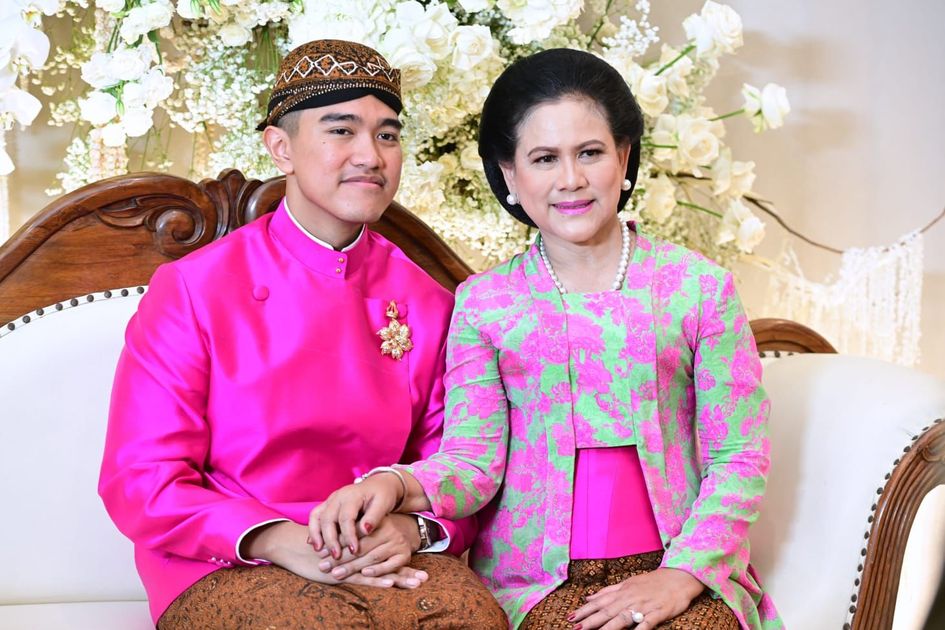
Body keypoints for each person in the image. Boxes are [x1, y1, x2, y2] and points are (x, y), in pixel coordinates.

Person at [309, 48, 784, 629]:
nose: (571, 180)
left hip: (681, 572)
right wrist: (393, 481)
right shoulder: (487, 303)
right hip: (542, 584)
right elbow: (473, 463)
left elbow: (738, 456)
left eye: (590, 153)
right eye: (544, 159)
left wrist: (681, 576)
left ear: (624, 156)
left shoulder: (698, 288)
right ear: (510, 175)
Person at [98, 39, 506, 629]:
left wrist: (412, 527)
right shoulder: (194, 288)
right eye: (341, 131)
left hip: (381, 547)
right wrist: (276, 538)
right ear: (281, 147)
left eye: (388, 135)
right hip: (226, 556)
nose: (370, 155)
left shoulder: (430, 301)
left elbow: (461, 468)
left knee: (470, 619)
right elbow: (142, 479)